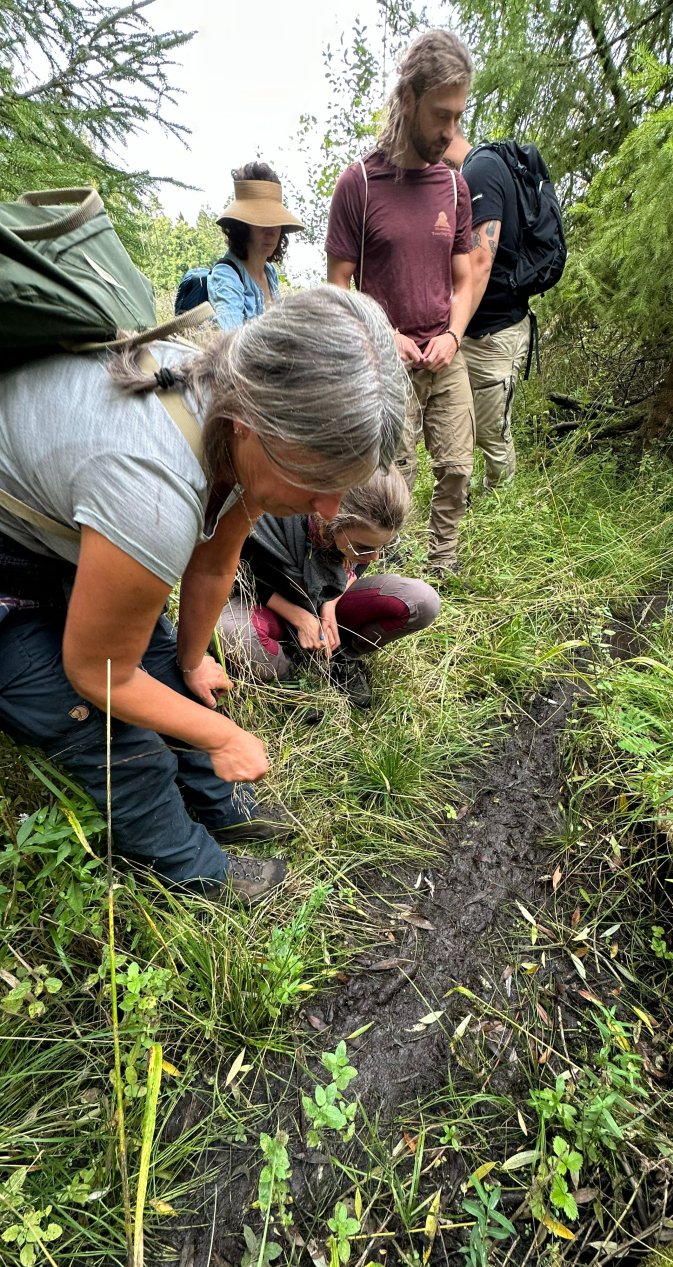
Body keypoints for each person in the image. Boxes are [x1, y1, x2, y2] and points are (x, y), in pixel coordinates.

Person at [0, 287, 406, 902]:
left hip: (57, 536)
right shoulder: (152, 488)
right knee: (118, 742)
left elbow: (215, 565)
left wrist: (190, 661)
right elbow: (98, 672)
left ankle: (218, 802)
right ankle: (192, 868)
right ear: (255, 423)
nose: (328, 509)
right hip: (11, 571)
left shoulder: (226, 406)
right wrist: (224, 736)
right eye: (320, 479)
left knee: (166, 673)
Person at [326, 30, 476, 580]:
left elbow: (463, 279)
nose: (450, 132)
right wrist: (381, 333)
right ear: (408, 99)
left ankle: (443, 563)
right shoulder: (360, 184)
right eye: (441, 115)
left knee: (457, 466)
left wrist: (454, 336)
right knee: (395, 474)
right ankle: (386, 566)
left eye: (458, 116)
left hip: (445, 351)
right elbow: (338, 285)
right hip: (387, 361)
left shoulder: (456, 188)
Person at [217, 467, 441, 709]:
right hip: (271, 604)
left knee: (422, 601)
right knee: (229, 629)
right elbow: (245, 575)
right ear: (331, 517)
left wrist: (330, 604)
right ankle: (291, 680)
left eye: (383, 546)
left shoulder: (361, 540)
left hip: (327, 603)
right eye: (364, 547)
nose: (374, 557)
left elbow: (353, 569)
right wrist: (300, 618)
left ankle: (342, 658)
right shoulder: (270, 516)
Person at [443, 133, 531, 491]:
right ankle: (470, 503)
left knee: (492, 434)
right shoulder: (484, 167)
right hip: (486, 329)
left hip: (494, 332)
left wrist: (452, 331)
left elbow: (480, 262)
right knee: (464, 426)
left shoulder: (479, 171)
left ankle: (499, 510)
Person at [208, 161, 303, 330]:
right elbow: (230, 342)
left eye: (276, 222)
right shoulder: (226, 276)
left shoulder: (269, 272)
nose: (272, 231)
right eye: (262, 222)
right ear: (242, 226)